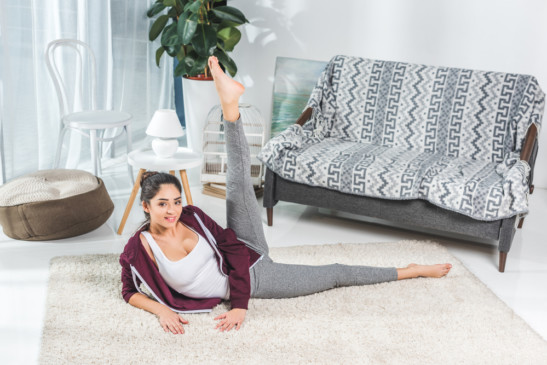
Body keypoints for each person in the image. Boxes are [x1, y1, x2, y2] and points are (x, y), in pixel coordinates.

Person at [119, 56, 452, 335]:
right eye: (163, 204)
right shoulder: (139, 249)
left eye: (176, 201)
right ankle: (410, 269)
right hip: (257, 274)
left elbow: (232, 247)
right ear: (146, 206)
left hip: (247, 258)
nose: (173, 210)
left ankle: (229, 105)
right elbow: (130, 291)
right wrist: (160, 311)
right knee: (333, 273)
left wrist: (239, 305)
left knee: (238, 186)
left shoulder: (190, 215)